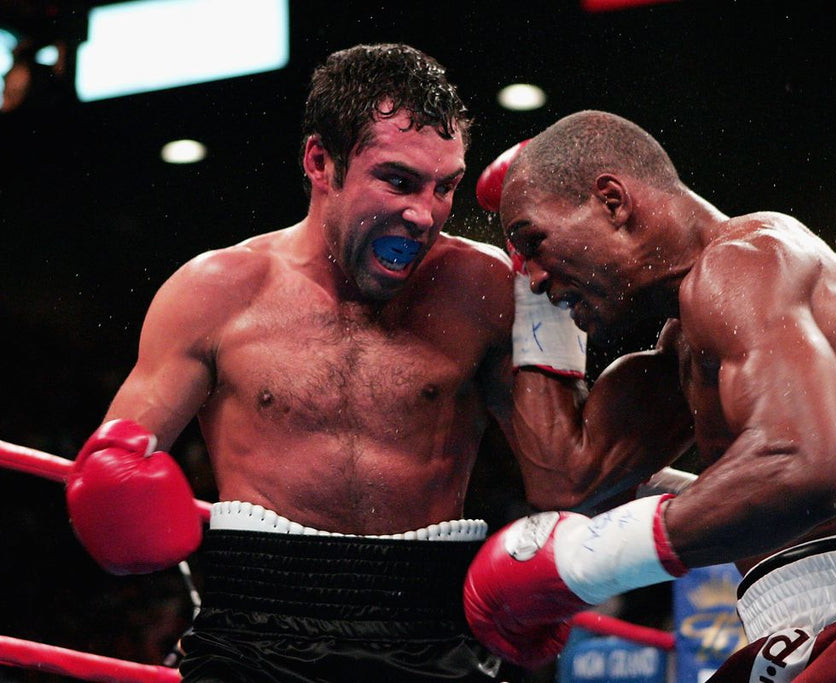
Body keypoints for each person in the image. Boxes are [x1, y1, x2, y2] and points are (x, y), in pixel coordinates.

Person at [62, 47, 688, 681]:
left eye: (444, 186)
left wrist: (542, 306)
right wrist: (114, 492)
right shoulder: (214, 292)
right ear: (319, 163)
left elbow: (564, 471)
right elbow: (115, 458)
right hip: (254, 633)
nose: (424, 214)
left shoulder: (487, 291)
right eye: (397, 180)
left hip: (430, 629)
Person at [462, 111, 836, 680]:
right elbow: (570, 480)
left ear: (612, 201)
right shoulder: (686, 340)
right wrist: (538, 306)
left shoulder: (746, 260)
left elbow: (804, 466)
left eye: (534, 244)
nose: (529, 276)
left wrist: (585, 562)